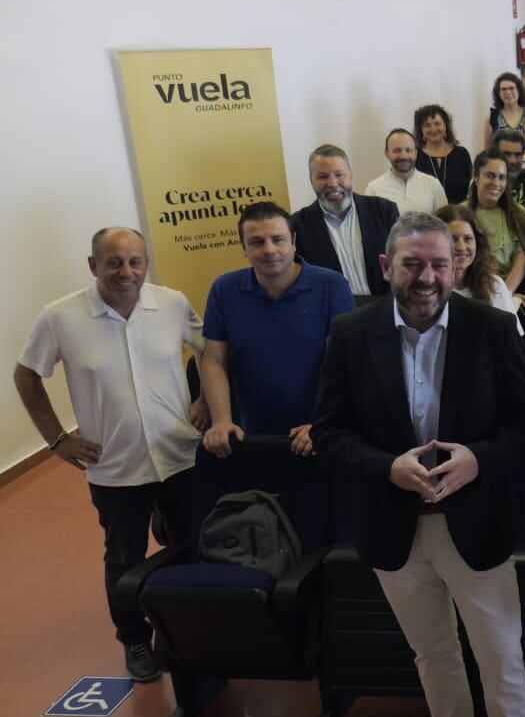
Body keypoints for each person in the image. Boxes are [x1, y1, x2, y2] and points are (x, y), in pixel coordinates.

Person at [312, 212, 525, 717]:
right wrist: (386, 468)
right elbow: (331, 432)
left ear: (458, 266)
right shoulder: (350, 331)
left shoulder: (495, 329)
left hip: (477, 521)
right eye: (413, 263)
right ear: (387, 267)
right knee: (432, 653)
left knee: (500, 652)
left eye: (440, 264)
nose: (428, 277)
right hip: (394, 524)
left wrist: (479, 460)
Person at [15, 227, 207, 682]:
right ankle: (134, 638)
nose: (126, 272)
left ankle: (191, 629)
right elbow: (26, 376)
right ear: (93, 264)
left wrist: (205, 404)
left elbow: (211, 352)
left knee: (191, 545)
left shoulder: (172, 303)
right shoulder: (60, 317)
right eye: (115, 262)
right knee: (124, 556)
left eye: (135, 262)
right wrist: (57, 439)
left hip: (178, 455)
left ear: (146, 263)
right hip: (115, 466)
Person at [199, 201, 354, 459]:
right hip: (252, 436)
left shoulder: (331, 285)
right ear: (244, 249)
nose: (269, 250)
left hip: (318, 434)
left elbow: (343, 364)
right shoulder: (224, 289)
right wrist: (221, 421)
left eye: (278, 239)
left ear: (293, 242)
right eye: (257, 242)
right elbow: (214, 360)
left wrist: (324, 423)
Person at [290, 145, 399, 298]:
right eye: (322, 177)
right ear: (311, 180)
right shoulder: (297, 226)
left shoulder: (384, 211)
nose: (333, 183)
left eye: (339, 174)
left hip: (385, 309)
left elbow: (402, 263)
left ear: (350, 174)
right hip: (335, 316)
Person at [467, 150, 525, 309]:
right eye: (490, 175)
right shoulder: (460, 213)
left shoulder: (518, 214)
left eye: (502, 177)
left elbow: (521, 259)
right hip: (469, 293)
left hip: (508, 292)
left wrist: (503, 297)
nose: (496, 183)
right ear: (476, 176)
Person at [438, 203, 521, 322]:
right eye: (452, 239)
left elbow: (511, 337)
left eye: (468, 239)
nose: (461, 247)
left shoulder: (495, 286)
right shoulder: (429, 289)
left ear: (478, 243)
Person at [367, 128, 448, 216]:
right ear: (387, 153)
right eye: (397, 150)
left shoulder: (433, 184)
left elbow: (445, 223)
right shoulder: (374, 189)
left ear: (416, 153)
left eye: (408, 150)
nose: (403, 156)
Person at [414, 104, 475, 203]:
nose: (433, 129)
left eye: (437, 124)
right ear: (421, 130)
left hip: (458, 214)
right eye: (427, 125)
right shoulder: (415, 156)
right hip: (427, 216)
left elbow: (471, 188)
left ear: (445, 125)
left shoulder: (461, 154)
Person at [483, 72, 525, 151]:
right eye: (504, 89)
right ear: (499, 94)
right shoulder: (492, 118)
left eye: (511, 88)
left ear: (519, 91)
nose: (507, 92)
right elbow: (486, 150)